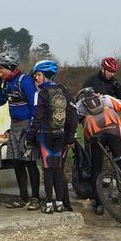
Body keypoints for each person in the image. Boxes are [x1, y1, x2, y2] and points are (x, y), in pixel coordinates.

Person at [75, 86, 121, 215]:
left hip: (94, 134)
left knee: (96, 168)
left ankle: (99, 204)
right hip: (114, 129)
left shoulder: (80, 105)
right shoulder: (104, 98)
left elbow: (71, 120)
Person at [26, 60, 78, 213]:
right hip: (61, 135)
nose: (36, 78)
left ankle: (49, 204)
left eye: (38, 75)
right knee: (59, 170)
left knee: (48, 169)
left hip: (45, 135)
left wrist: (30, 137)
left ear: (46, 76)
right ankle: (60, 203)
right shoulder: (64, 90)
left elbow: (37, 117)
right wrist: (70, 137)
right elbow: (73, 115)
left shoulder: (41, 93)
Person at [0, 50, 42, 209]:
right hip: (14, 125)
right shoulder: (7, 82)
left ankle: (35, 197)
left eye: (2, 68)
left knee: (29, 162)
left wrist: (32, 129)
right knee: (17, 162)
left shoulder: (25, 81)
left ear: (11, 67)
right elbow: (1, 102)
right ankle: (23, 197)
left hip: (26, 124)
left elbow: (34, 105)